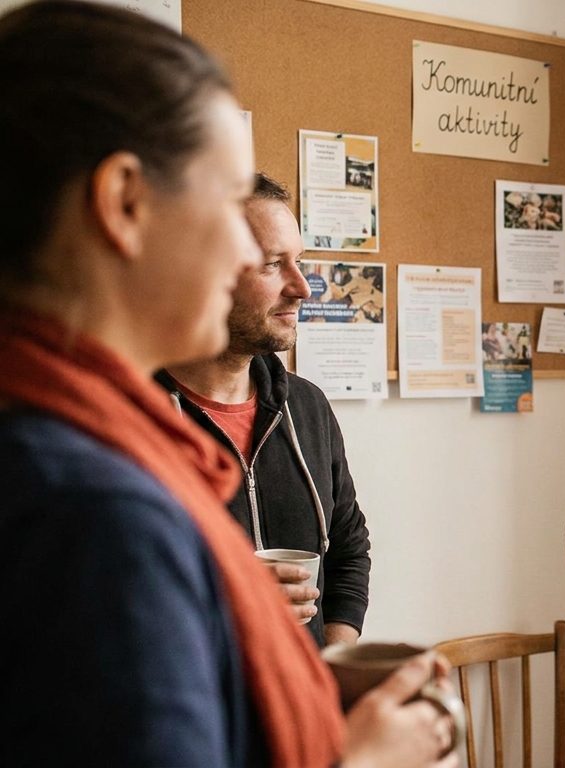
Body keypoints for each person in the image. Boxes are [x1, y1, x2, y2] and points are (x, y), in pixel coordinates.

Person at [0, 3, 453, 766]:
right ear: (125, 204)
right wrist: (364, 758)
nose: (246, 256)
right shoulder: (98, 513)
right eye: (225, 204)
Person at [157, 172, 371, 648]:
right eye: (273, 265)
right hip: (200, 712)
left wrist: (331, 668)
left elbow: (348, 549)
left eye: (300, 262)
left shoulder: (307, 406)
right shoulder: (134, 421)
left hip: (302, 711)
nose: (303, 288)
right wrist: (226, 601)